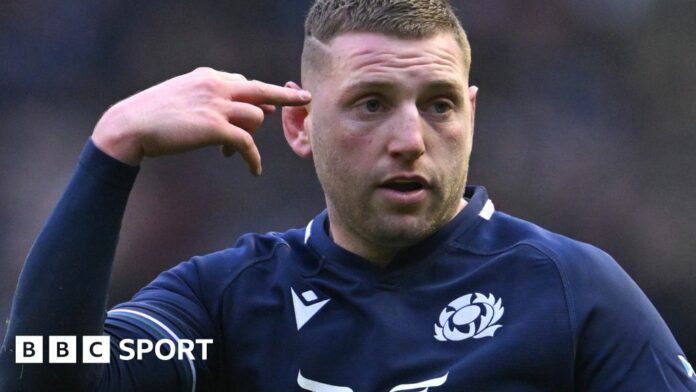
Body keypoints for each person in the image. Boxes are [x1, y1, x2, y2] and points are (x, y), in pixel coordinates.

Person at [1, 0, 694, 390]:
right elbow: (40, 371)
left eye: (441, 105)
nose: (410, 138)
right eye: (370, 104)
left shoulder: (574, 291)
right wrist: (112, 149)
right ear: (301, 125)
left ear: (472, 116)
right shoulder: (227, 303)